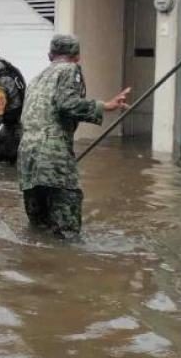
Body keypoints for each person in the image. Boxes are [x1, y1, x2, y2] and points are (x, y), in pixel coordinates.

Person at [18, 34, 131, 239]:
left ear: (49, 55)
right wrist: (105, 106)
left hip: (27, 157)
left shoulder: (37, 78)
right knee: (66, 231)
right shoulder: (70, 70)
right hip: (53, 155)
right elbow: (67, 104)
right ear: (77, 57)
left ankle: (35, 267)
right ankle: (66, 266)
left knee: (38, 228)